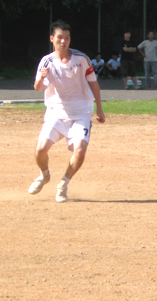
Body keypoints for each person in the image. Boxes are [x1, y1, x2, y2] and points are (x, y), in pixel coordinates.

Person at [28, 20, 105, 202]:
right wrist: (41, 78)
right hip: (56, 112)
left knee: (80, 150)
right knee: (41, 149)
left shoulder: (81, 58)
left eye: (67, 38)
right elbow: (38, 87)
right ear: (52, 39)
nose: (63, 41)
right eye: (60, 38)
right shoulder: (46, 61)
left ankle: (63, 183)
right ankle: (44, 175)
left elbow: (94, 83)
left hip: (81, 112)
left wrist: (99, 109)